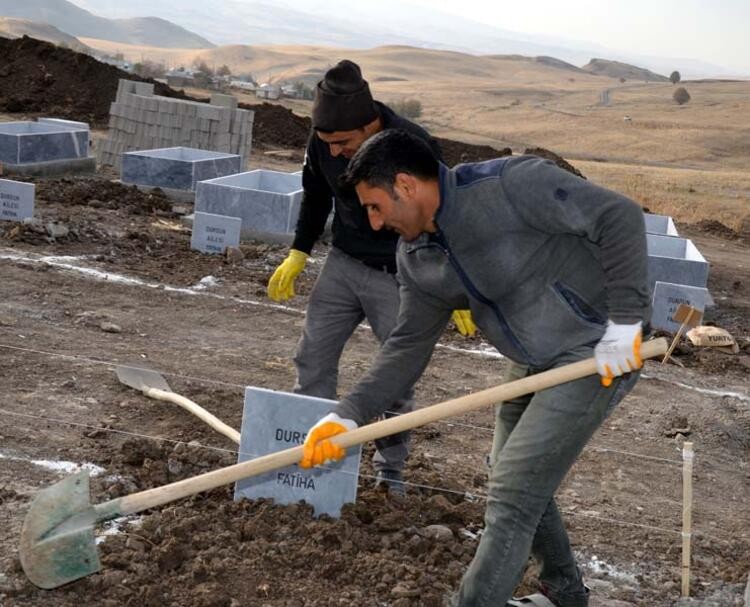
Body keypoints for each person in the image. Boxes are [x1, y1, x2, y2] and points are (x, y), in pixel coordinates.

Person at [299, 129, 651, 606]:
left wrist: (626, 320)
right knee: (511, 470)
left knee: (514, 490)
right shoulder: (417, 256)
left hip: (598, 350)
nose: (374, 223)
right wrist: (348, 414)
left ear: (405, 185)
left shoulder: (510, 184)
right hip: (534, 358)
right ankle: (565, 590)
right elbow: (406, 346)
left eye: (375, 206)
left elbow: (619, 216)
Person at [267, 60, 475, 495]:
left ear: (371, 124)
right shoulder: (326, 139)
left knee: (395, 377)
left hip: (400, 275)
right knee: (313, 359)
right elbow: (315, 193)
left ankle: (389, 472)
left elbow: (446, 213)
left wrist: (457, 283)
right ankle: (310, 460)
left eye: (343, 143)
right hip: (342, 263)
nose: (335, 151)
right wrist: (299, 252)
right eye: (328, 143)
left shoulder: (414, 146)